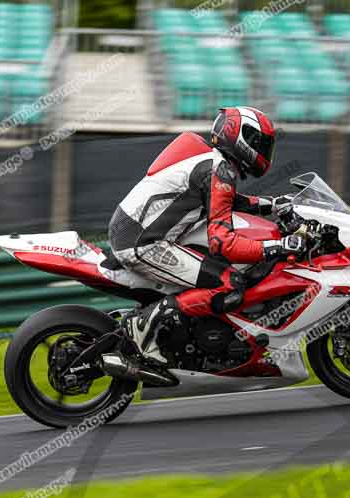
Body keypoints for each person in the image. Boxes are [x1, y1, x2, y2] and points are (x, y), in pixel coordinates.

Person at [107, 106, 305, 375]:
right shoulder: (218, 169)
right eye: (260, 143)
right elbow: (223, 243)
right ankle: (143, 325)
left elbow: (226, 201)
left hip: (137, 233)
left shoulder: (213, 163)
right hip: (143, 243)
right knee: (228, 284)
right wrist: (277, 247)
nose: (264, 152)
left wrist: (272, 205)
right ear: (240, 136)